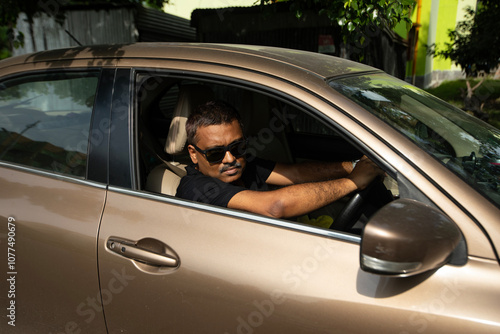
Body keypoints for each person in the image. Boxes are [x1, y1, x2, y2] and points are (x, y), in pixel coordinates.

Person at [175, 100, 385, 219]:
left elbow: (296, 174)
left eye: (237, 147)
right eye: (215, 153)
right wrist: (353, 182)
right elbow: (276, 206)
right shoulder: (195, 187)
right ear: (194, 153)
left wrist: (356, 166)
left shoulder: (243, 165)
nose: (230, 158)